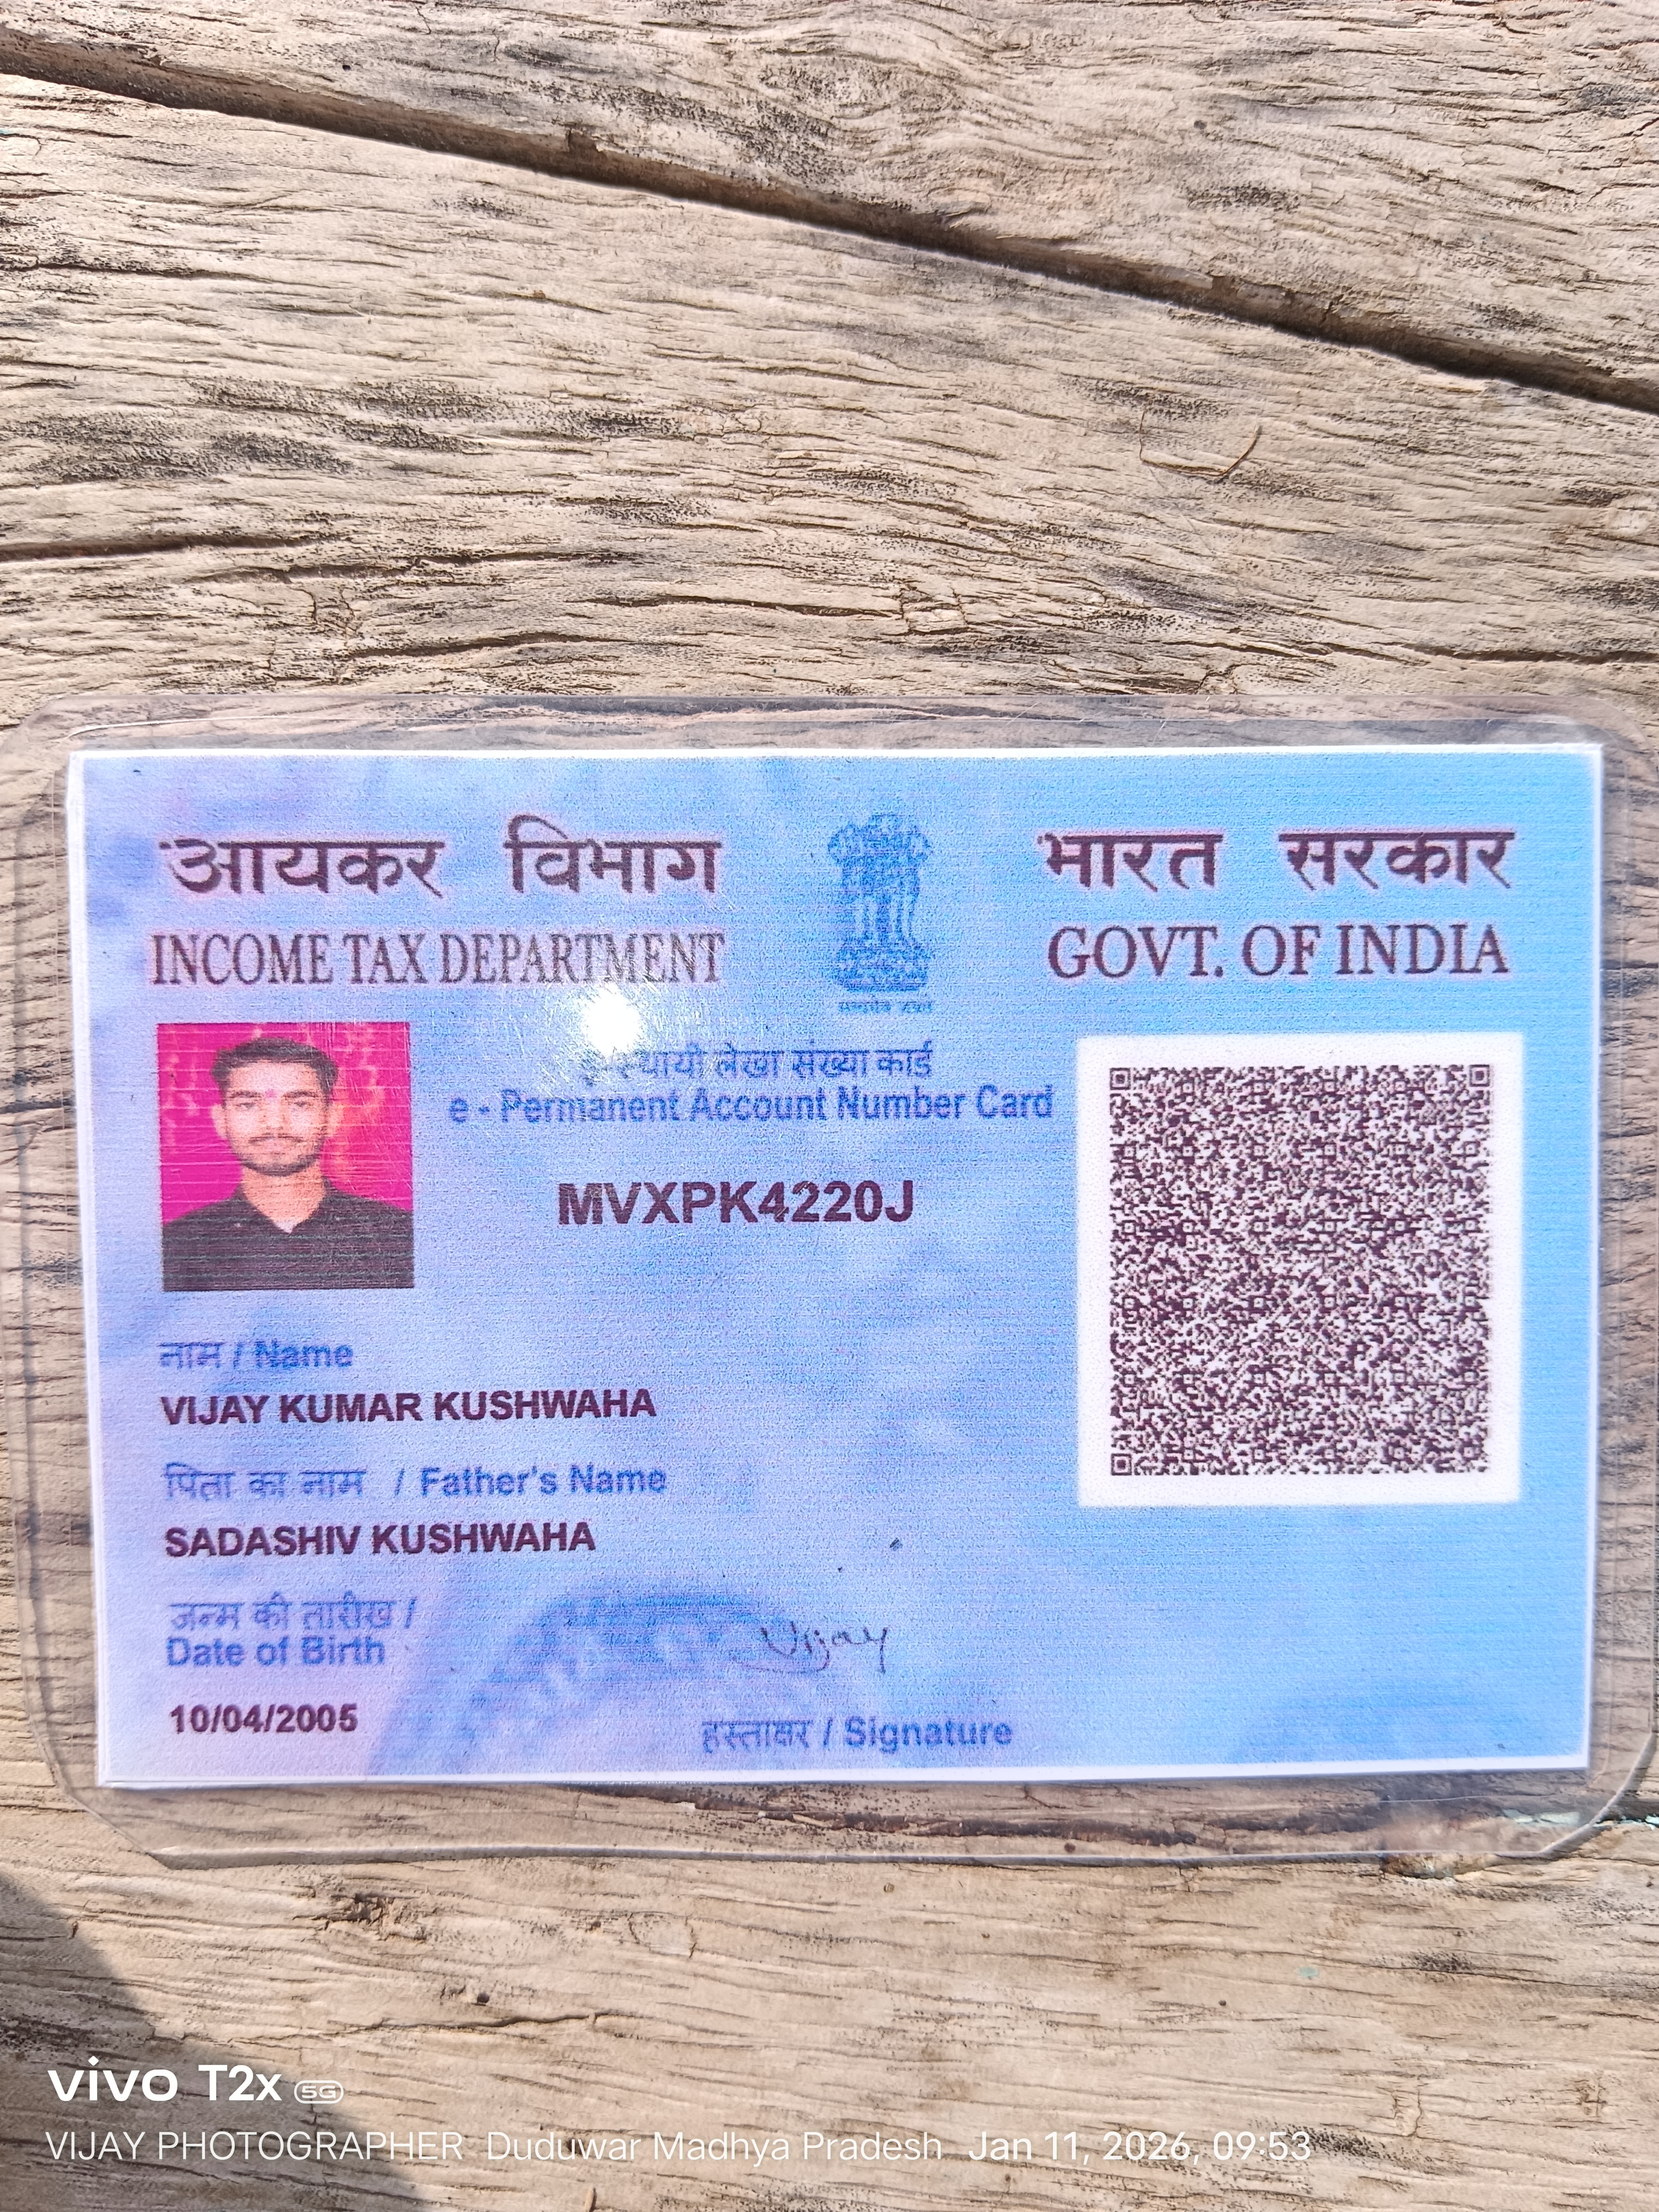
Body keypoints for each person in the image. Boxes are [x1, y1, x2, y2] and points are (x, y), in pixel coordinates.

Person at [162, 1037, 413, 1292]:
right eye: (248, 1105)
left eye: (299, 1104)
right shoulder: (176, 1248)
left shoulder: (398, 1237)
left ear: (332, 1118)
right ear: (221, 1120)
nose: (274, 1124)